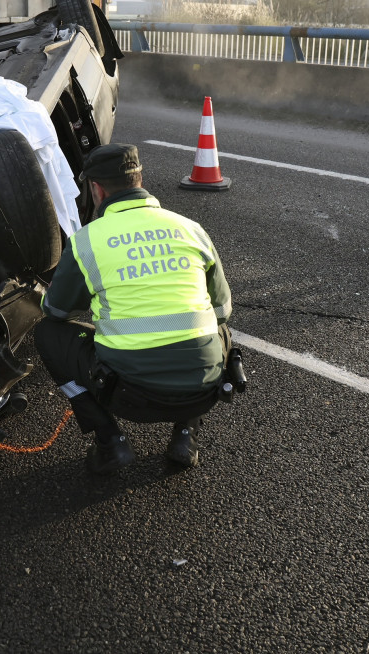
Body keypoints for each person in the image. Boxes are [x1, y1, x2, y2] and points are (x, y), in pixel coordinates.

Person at [34, 143, 239, 474]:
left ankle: (110, 441)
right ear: (140, 178)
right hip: (203, 390)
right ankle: (185, 436)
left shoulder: (87, 240)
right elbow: (222, 311)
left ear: (96, 189)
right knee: (217, 331)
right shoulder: (191, 228)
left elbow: (57, 312)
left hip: (126, 394)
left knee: (47, 334)